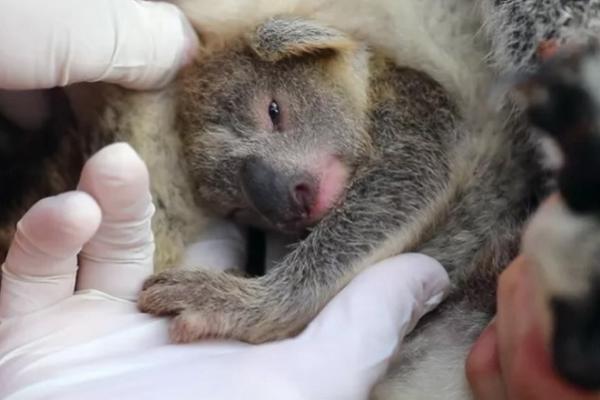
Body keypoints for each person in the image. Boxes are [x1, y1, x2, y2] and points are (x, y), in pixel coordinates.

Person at [0, 1, 594, 399]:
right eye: (242, 207)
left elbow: (418, 166)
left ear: (310, 48)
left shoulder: (382, 87)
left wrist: (277, 298)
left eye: (276, 116)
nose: (278, 196)